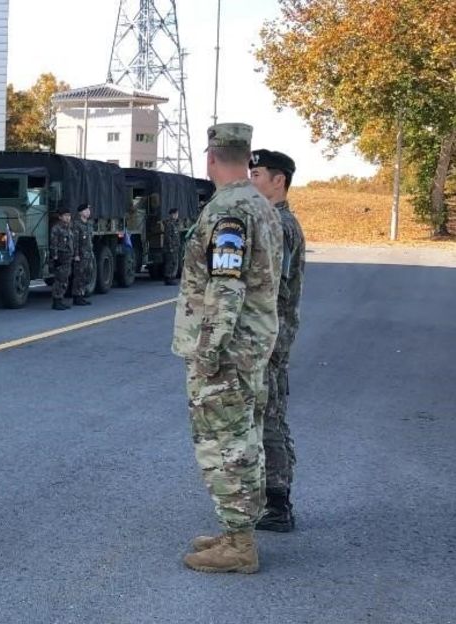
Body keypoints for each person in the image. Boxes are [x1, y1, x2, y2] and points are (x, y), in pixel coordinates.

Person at [172, 123, 283, 574]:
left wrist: (209, 349)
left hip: (228, 350)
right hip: (252, 345)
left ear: (211, 158)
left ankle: (239, 546)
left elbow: (226, 287)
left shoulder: (229, 212)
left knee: (225, 443)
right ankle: (238, 531)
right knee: (244, 438)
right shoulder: (261, 204)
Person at [249, 149, 306, 532]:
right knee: (267, 411)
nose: (251, 180)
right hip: (268, 329)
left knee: (270, 414)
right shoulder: (273, 221)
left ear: (278, 180)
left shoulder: (282, 226)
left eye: (257, 174)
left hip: (271, 332)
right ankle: (271, 498)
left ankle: (278, 503)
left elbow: (271, 285)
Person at [49, 205, 75, 310]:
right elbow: (53, 244)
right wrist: (55, 257)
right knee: (59, 280)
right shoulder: (56, 229)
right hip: (60, 257)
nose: (68, 217)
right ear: (60, 217)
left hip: (68, 257)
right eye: (65, 216)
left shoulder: (69, 228)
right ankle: (56, 301)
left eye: (69, 215)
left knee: (64, 279)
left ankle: (60, 299)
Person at [70, 204, 95, 306]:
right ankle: (77, 297)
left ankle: (82, 293)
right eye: (86, 210)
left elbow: (90, 240)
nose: (88, 212)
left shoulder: (89, 224)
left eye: (88, 210)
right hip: (80, 255)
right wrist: (76, 254)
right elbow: (75, 241)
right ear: (81, 213)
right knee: (79, 276)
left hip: (88, 254)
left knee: (88, 274)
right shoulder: (76, 225)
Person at [163, 207, 181, 286]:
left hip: (175, 247)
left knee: (174, 263)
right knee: (171, 263)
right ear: (173, 214)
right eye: (176, 214)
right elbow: (168, 236)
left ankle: (171, 277)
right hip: (170, 248)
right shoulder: (169, 224)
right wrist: (170, 247)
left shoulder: (175, 223)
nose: (177, 215)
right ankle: (169, 278)